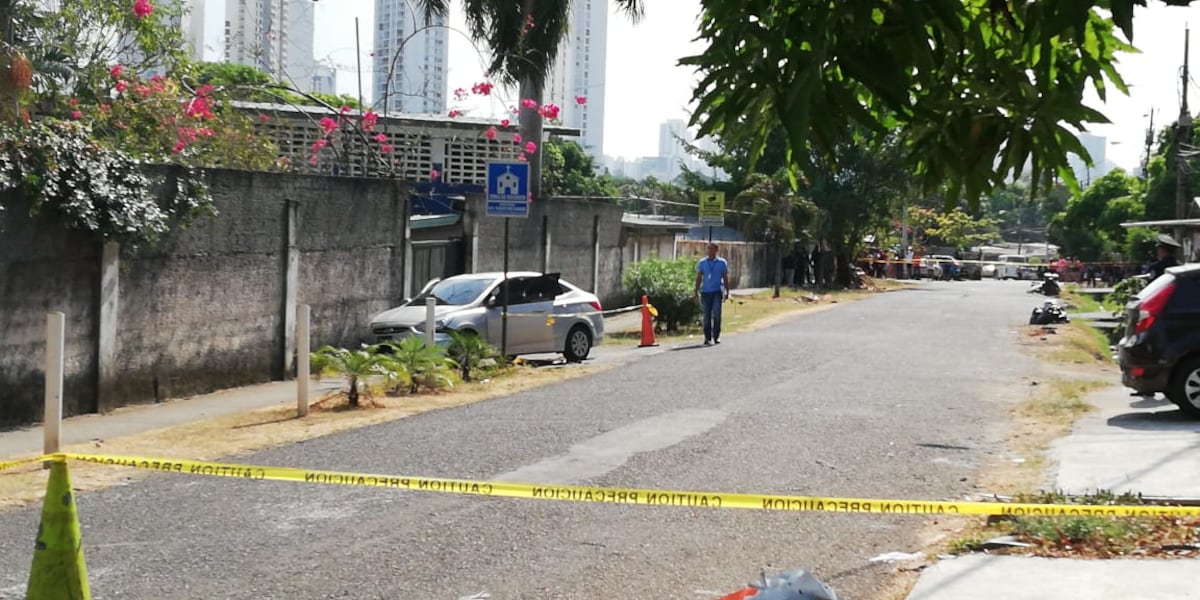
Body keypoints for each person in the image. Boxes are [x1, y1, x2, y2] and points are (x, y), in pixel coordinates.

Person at [694, 243, 730, 346]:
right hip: (705, 292)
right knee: (706, 316)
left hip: (717, 291)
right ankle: (707, 337)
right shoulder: (702, 262)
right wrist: (696, 291)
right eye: (709, 249)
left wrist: (727, 291)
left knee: (717, 314)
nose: (710, 251)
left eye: (712, 249)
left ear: (716, 250)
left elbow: (725, 277)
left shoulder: (722, 262)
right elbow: (699, 277)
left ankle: (716, 336)